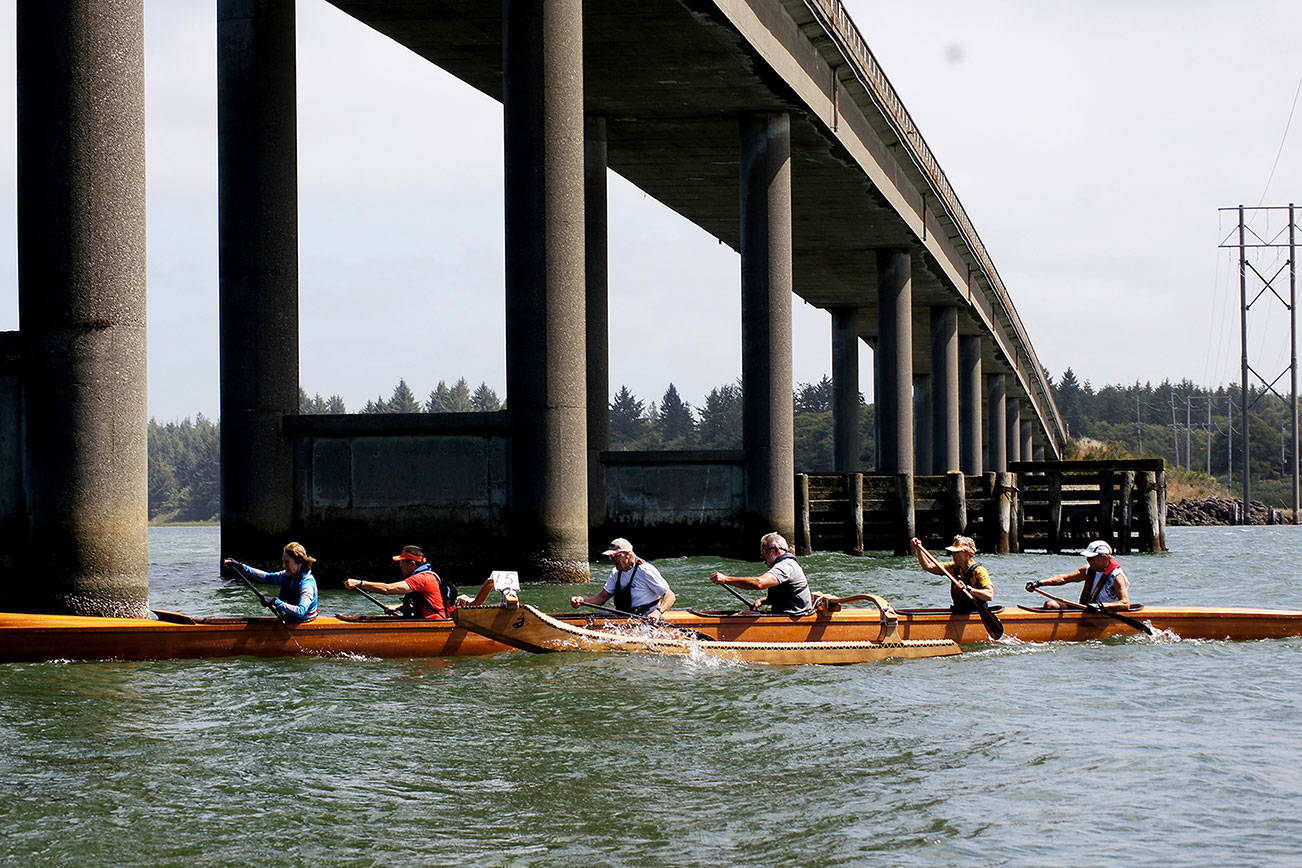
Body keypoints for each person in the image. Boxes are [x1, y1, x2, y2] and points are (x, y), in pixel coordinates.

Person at [570, 538, 675, 621]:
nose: (613, 560)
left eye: (616, 556)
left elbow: (670, 596)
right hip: (623, 618)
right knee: (593, 617)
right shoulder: (616, 573)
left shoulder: (645, 570)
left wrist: (658, 612)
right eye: (611, 557)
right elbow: (601, 598)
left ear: (628, 555)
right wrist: (582, 601)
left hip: (645, 619)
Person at [709, 532, 814, 615]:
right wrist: (764, 601)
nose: (762, 556)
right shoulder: (787, 564)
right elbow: (789, 594)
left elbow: (758, 583)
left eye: (764, 551)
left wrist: (726, 579)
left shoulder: (785, 566)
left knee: (740, 616)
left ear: (776, 550)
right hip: (786, 614)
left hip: (794, 618)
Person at [343, 545, 452, 619]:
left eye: (402, 562)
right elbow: (427, 604)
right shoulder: (427, 576)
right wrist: (399, 607)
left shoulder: (422, 578)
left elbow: (387, 589)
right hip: (423, 620)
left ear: (412, 564)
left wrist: (359, 583)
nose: (400, 565)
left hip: (432, 624)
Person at [223, 542, 319, 623]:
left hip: (304, 622)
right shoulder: (286, 575)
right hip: (290, 619)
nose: (283, 565)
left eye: (287, 562)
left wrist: (274, 602)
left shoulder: (307, 584)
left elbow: (300, 611)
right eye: (283, 562)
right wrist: (241, 566)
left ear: (298, 561)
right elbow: (266, 577)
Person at [1026, 539, 1131, 611]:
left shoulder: (1117, 577)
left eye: (1091, 558)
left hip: (1104, 613)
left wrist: (1100, 606)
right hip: (1087, 608)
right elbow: (1063, 579)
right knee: (1050, 605)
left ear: (1104, 558)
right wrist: (1039, 583)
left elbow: (1125, 603)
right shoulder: (1088, 569)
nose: (1088, 560)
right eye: (1088, 557)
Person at [910, 535, 993, 612]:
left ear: (967, 553)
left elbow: (989, 595)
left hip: (977, 612)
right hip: (959, 611)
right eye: (953, 552)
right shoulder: (953, 567)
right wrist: (919, 549)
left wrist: (968, 589)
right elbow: (928, 566)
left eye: (957, 552)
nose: (953, 555)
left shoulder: (979, 571)